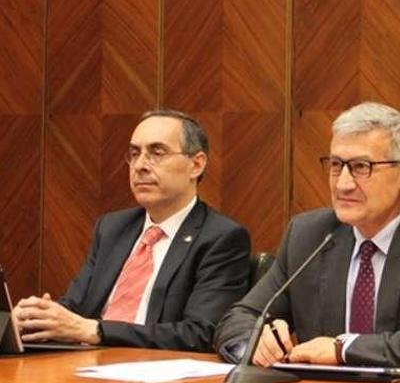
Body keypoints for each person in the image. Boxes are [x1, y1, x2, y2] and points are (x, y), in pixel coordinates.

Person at [214, 102, 400, 373]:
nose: (343, 183)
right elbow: (236, 320)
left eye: (361, 167)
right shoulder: (309, 234)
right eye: (336, 165)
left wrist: (343, 349)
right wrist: (254, 342)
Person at [12, 109, 251, 351]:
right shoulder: (112, 228)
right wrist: (40, 318)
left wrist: (96, 330)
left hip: (155, 373)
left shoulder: (221, 237)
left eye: (157, 153)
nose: (139, 166)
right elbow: (76, 306)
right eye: (135, 154)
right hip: (86, 364)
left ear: (196, 165)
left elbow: (201, 333)